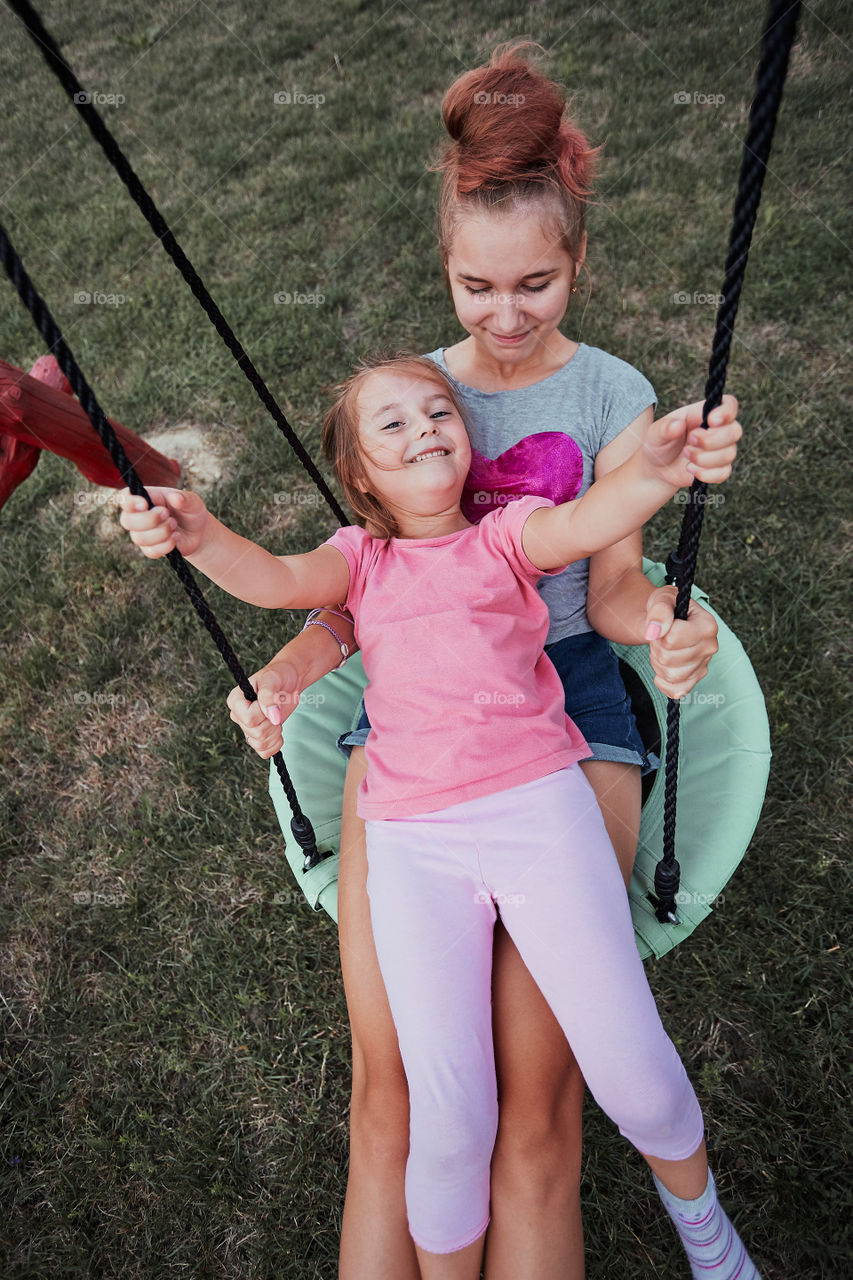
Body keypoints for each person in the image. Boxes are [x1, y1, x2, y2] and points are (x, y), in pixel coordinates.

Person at [226, 42, 736, 1280]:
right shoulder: (412, 400)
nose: (503, 316)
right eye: (475, 286)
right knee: (394, 1097)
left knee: (539, 1095)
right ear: (445, 271)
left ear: (576, 266)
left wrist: (671, 622)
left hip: (564, 706)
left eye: (536, 285)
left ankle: (702, 1228)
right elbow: (363, 590)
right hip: (412, 738)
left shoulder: (615, 393)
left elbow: (608, 587)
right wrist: (294, 662)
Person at [119, 350, 751, 1280]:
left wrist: (655, 469)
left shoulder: (507, 534)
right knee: (448, 1120)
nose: (424, 429)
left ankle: (703, 1228)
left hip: (542, 814)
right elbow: (270, 578)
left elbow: (588, 518)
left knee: (633, 1074)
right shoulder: (358, 561)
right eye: (393, 424)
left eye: (438, 412)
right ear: (362, 478)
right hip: (414, 849)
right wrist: (199, 529)